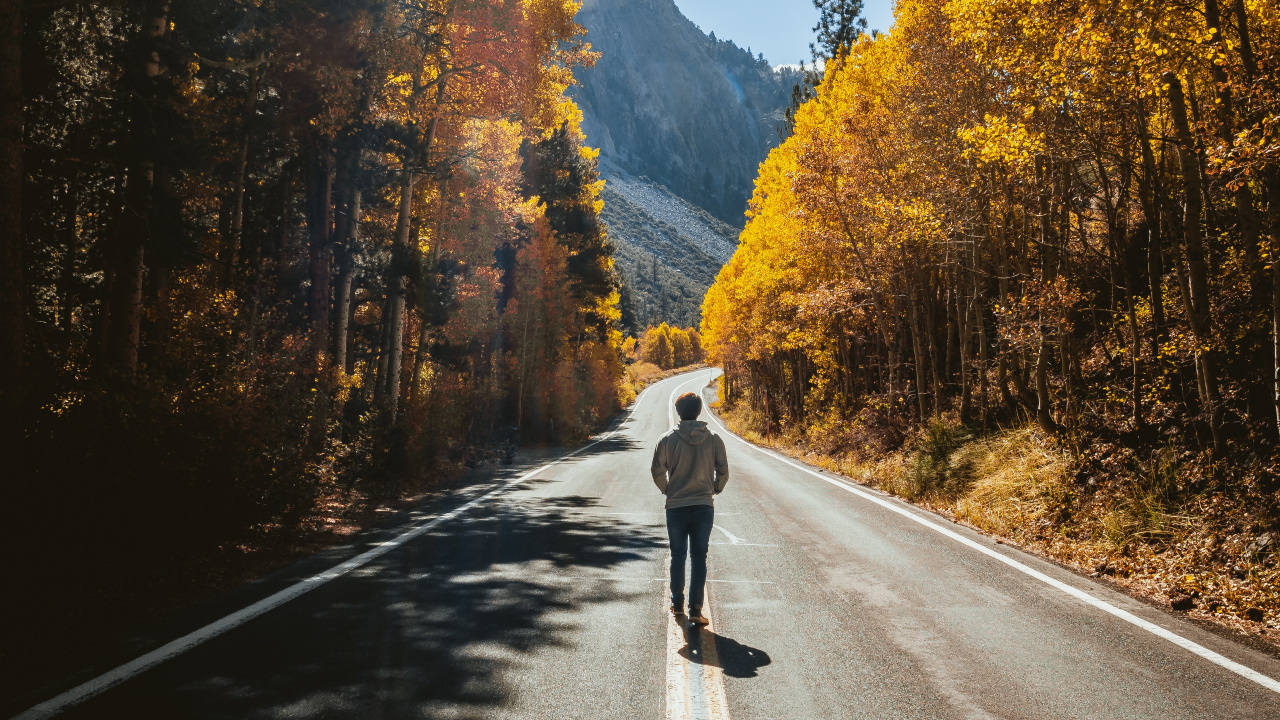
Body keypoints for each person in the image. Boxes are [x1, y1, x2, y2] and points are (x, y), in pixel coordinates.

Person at [651, 391, 729, 626]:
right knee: (699, 557)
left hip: (676, 506)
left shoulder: (666, 439)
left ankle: (676, 604)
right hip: (703, 505)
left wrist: (668, 490)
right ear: (699, 410)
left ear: (678, 412)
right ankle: (695, 608)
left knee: (677, 555)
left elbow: (657, 471)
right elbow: (723, 470)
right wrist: (715, 488)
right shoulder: (714, 439)